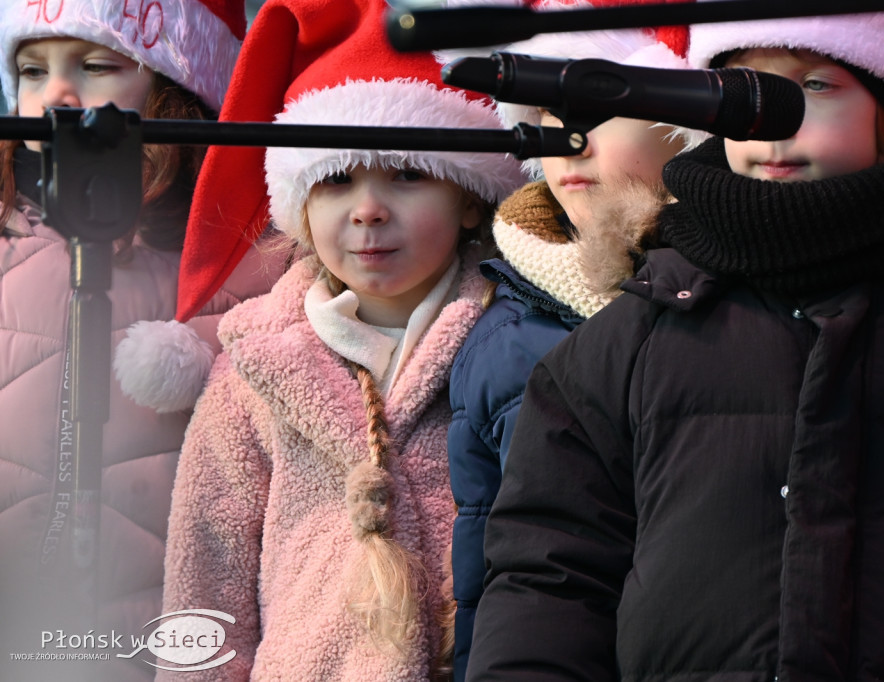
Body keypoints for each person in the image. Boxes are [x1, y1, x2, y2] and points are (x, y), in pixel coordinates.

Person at [465, 8, 884, 681]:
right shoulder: (629, 340)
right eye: (745, 93)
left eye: (814, 87)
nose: (773, 121)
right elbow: (551, 575)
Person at [156, 0, 526, 679]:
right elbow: (205, 585)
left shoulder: (517, 350)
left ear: (471, 195)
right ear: (299, 204)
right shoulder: (252, 374)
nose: (367, 209)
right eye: (335, 181)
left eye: (407, 174)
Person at [0, 1, 282, 680]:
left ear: (177, 94)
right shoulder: (7, 235)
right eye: (30, 71)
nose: (56, 95)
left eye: (97, 66)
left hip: (175, 640)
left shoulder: (254, 257)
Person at [444, 2, 702, 678]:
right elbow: (496, 574)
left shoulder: (741, 302)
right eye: (551, 117)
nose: (569, 141)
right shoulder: (500, 330)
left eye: (600, 108)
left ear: (690, 123)